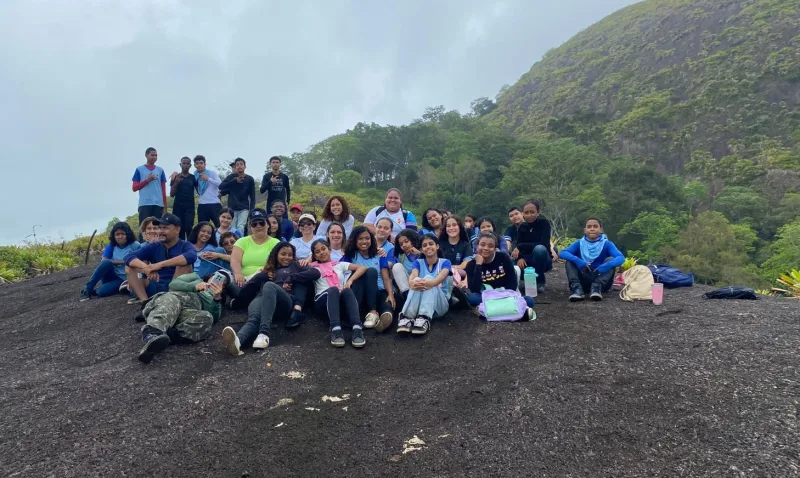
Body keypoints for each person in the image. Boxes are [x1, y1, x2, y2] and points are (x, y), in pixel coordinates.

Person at [221, 243, 320, 355]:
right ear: (276, 254)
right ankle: (238, 342)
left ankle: (264, 334)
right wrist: (262, 276)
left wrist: (291, 277)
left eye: (290, 255)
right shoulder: (268, 270)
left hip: (284, 302)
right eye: (283, 254)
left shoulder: (296, 266)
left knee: (269, 285)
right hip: (262, 299)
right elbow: (247, 289)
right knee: (253, 320)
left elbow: (315, 273)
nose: (287, 257)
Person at [137, 271, 226, 364]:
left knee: (207, 318)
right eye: (218, 277)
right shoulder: (195, 277)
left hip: (187, 311)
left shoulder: (215, 298)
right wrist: (195, 286)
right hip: (172, 300)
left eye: (223, 283)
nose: (219, 282)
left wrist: (216, 298)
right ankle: (151, 333)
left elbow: (215, 317)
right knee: (171, 301)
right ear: (211, 276)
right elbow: (173, 284)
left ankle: (164, 337)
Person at [124, 213, 197, 304]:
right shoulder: (155, 246)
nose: (161, 231)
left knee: (184, 264)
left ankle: (170, 302)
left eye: (165, 228)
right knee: (131, 266)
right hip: (156, 285)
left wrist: (159, 265)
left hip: (177, 288)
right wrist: (147, 268)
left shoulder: (185, 245)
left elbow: (191, 256)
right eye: (160, 227)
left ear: (177, 229)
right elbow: (128, 257)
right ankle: (145, 303)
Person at [309, 239, 368, 347]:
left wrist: (350, 281)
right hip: (322, 301)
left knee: (346, 290)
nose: (322, 252)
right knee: (333, 289)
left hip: (338, 301)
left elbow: (362, 268)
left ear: (329, 250)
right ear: (315, 256)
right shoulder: (312, 267)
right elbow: (300, 269)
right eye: (317, 252)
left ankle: (357, 328)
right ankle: (335, 329)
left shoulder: (339, 265)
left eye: (323, 249)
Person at [342, 226, 395, 332]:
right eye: (360, 239)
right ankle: (372, 312)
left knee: (387, 303)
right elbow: (339, 269)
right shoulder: (351, 256)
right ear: (354, 240)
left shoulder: (379, 255)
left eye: (367, 238)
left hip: (378, 290)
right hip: (360, 292)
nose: (364, 241)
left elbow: (385, 278)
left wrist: (390, 293)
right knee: (370, 271)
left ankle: (382, 321)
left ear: (372, 239)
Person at [397, 233, 451, 335]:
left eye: (431, 244)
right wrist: (412, 283)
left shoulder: (445, 262)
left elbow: (438, 280)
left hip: (440, 305)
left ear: (437, 246)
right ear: (421, 250)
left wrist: (423, 282)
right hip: (421, 305)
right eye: (424, 245)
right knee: (416, 280)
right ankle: (407, 317)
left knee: (428, 278)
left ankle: (424, 318)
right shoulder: (418, 262)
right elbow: (413, 275)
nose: (428, 247)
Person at [559, 217, 625, 301]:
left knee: (611, 259)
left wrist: (607, 265)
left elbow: (621, 258)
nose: (592, 229)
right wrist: (578, 261)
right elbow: (562, 253)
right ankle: (576, 289)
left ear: (601, 230)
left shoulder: (607, 244)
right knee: (570, 261)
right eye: (589, 227)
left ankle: (596, 288)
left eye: (595, 226)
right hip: (583, 280)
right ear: (585, 230)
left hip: (601, 282)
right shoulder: (579, 243)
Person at [465, 232, 535, 311]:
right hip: (485, 295)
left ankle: (493, 307)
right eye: (482, 244)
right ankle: (504, 307)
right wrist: (478, 265)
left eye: (490, 246)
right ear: (477, 246)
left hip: (505, 294)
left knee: (529, 301)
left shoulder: (503, 258)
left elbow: (512, 284)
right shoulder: (471, 264)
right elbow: (474, 289)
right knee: (472, 298)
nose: (486, 248)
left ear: (495, 249)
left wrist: (503, 295)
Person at [79, 222, 140, 301]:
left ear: (128, 234)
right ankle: (87, 289)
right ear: (114, 236)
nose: (120, 237)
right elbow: (104, 261)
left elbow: (140, 262)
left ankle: (124, 287)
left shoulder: (135, 245)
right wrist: (126, 260)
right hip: (115, 277)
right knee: (106, 264)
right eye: (117, 234)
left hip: (130, 277)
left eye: (123, 234)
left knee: (101, 291)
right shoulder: (112, 246)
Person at [512, 200, 556, 294]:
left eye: (532, 212)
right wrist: (520, 257)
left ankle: (540, 280)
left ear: (538, 212)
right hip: (527, 259)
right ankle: (516, 284)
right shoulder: (522, 227)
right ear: (523, 214)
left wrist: (521, 246)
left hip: (542, 258)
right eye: (527, 213)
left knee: (539, 249)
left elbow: (544, 244)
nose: (529, 215)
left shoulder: (544, 224)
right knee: (511, 260)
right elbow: (518, 245)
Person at [230, 208, 281, 287]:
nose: (258, 226)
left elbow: (279, 263)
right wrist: (238, 273)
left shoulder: (276, 243)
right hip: (242, 280)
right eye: (254, 224)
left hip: (265, 279)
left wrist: (272, 272)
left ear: (268, 225)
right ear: (250, 227)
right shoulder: (241, 241)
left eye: (261, 223)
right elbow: (235, 260)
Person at [219, 157, 256, 232]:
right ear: (235, 167)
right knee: (232, 227)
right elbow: (221, 186)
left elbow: (252, 196)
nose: (239, 166)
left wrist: (251, 210)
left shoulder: (249, 179)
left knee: (240, 227)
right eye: (237, 165)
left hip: (244, 207)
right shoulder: (231, 177)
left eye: (241, 164)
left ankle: (239, 243)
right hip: (232, 207)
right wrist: (234, 181)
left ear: (245, 166)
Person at [132, 147, 167, 223]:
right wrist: (147, 180)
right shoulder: (139, 169)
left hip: (158, 204)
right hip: (145, 203)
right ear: (146, 155)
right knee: (144, 228)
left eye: (156, 155)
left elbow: (163, 190)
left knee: (157, 229)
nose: (154, 157)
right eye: (152, 155)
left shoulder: (160, 170)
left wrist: (165, 206)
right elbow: (134, 188)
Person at [439, 215, 473, 287]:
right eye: (448, 226)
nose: (451, 228)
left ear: (460, 227)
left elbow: (467, 262)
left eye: (454, 225)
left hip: (460, 276)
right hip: (440, 276)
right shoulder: (439, 244)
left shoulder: (466, 245)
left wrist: (452, 268)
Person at [169, 156, 197, 240]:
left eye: (187, 164)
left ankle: (190, 247)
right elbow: (171, 194)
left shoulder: (193, 177)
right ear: (180, 164)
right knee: (178, 227)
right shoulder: (176, 176)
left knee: (189, 227)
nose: (185, 165)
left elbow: (200, 191)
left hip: (189, 207)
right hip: (178, 206)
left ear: (190, 165)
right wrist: (176, 183)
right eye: (183, 163)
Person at [391, 229, 422, 300]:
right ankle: (407, 298)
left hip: (423, 284)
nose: (404, 245)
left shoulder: (423, 251)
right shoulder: (401, 256)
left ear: (413, 240)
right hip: (408, 287)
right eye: (401, 244)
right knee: (397, 266)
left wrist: (420, 254)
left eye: (406, 241)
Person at [193, 155, 223, 228]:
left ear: (205, 164)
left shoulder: (211, 173)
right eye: (197, 163)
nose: (199, 165)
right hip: (202, 205)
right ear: (194, 165)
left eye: (201, 163)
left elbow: (220, 183)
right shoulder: (195, 175)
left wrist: (208, 178)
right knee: (202, 228)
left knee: (220, 227)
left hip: (215, 204)